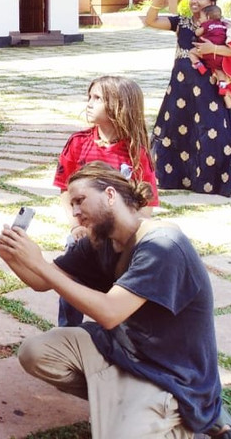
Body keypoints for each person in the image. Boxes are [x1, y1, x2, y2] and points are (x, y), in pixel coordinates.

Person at [0, 163, 231, 439]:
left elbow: (109, 313)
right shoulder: (102, 241)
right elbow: (43, 282)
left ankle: (191, 412)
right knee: (35, 352)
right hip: (124, 348)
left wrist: (39, 263)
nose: (75, 213)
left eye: (79, 201)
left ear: (110, 195)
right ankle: (120, 400)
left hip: (171, 373)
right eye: (71, 204)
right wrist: (14, 257)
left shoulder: (163, 245)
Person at [52, 76, 159, 327]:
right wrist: (76, 226)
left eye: (97, 98)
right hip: (84, 236)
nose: (89, 103)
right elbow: (65, 193)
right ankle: (68, 331)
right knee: (71, 280)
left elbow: (147, 203)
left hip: (120, 239)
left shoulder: (136, 151)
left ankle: (124, 335)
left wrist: (131, 238)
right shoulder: (78, 144)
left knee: (122, 286)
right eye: (89, 97)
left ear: (118, 106)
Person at [144, 0, 231, 196]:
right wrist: (157, 2)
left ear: (211, 2)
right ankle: (176, 178)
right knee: (176, 128)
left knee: (212, 129)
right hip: (181, 86)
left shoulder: (223, 25)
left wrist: (213, 49)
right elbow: (151, 21)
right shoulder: (181, 22)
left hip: (209, 85)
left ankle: (215, 182)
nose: (194, 1)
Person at [193, 4, 231, 108]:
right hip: (221, 56)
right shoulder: (224, 25)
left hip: (206, 52)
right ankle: (223, 86)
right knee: (219, 71)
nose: (200, 18)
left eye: (201, 17)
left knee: (192, 52)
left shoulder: (207, 24)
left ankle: (198, 65)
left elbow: (197, 33)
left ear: (208, 17)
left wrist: (197, 28)